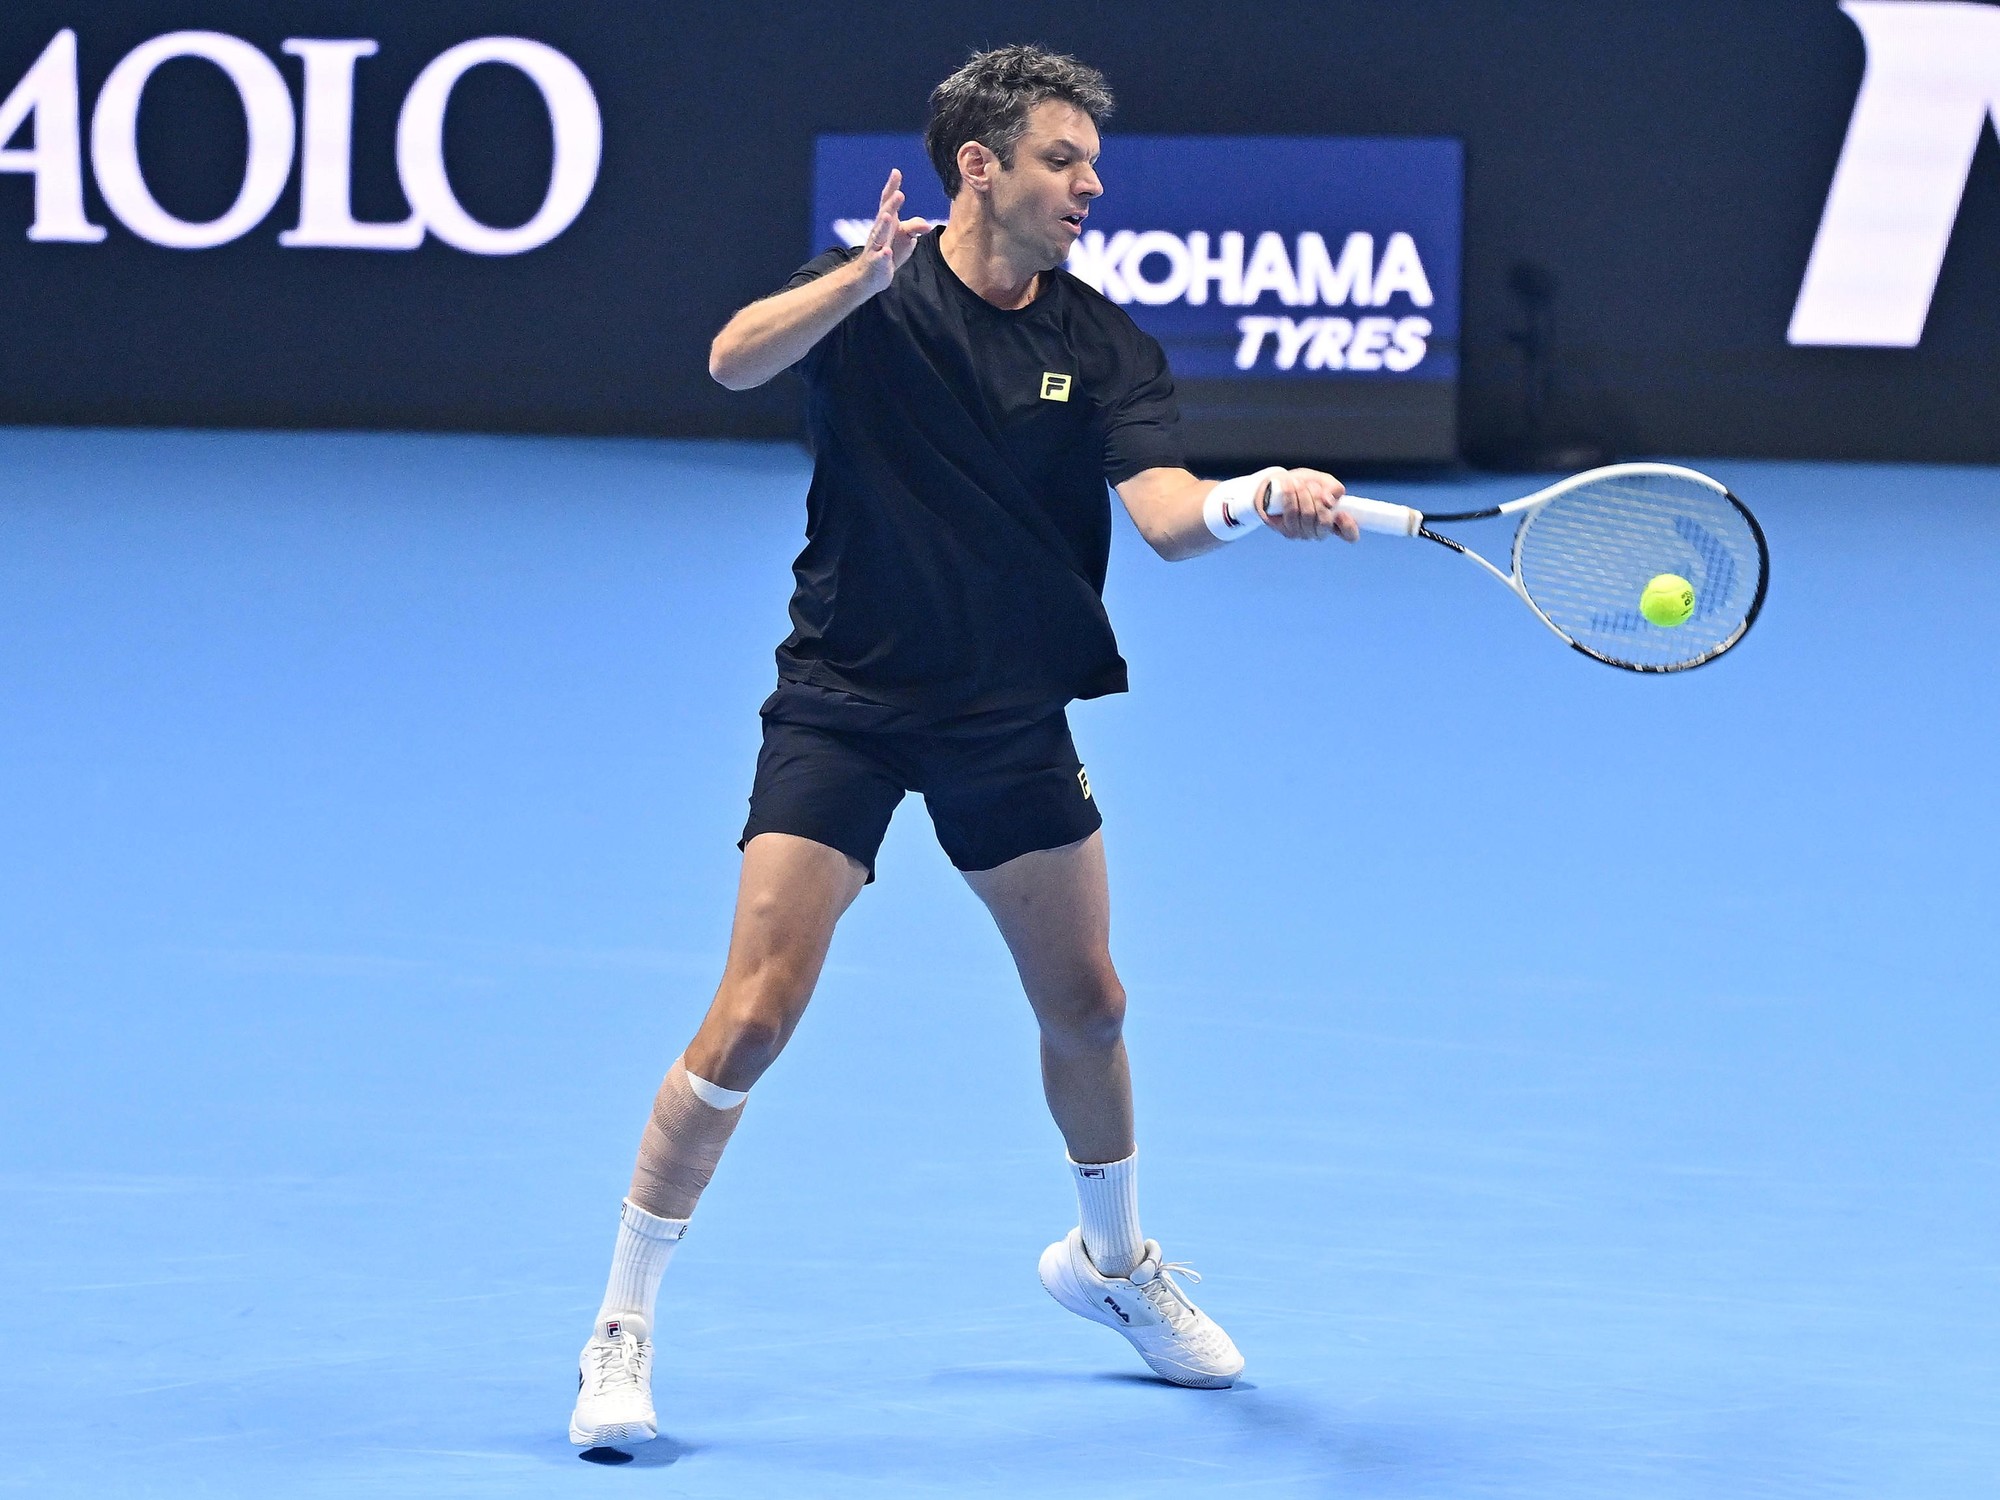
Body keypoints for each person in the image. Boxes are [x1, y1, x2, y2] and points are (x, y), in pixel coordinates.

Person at [570, 44, 1358, 1448]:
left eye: (1093, 166)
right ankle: (619, 1329)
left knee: (1092, 1009)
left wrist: (1252, 499)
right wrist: (855, 281)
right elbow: (732, 357)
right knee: (753, 1013)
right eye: (1062, 160)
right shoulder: (870, 294)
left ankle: (1109, 1266)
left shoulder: (1103, 340)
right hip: (848, 701)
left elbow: (1167, 515)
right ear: (976, 168)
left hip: (1008, 713)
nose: (1089, 188)